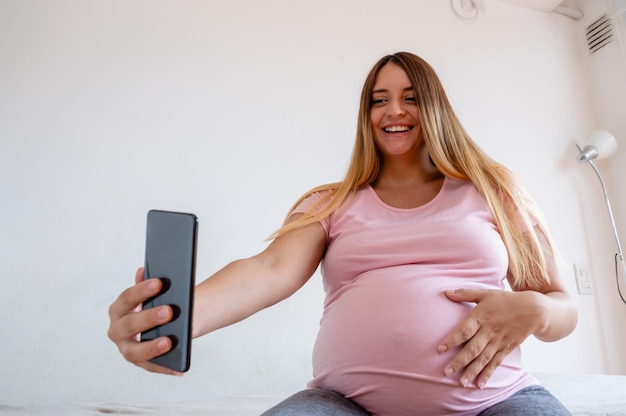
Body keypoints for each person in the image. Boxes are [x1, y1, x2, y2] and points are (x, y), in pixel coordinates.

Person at [108, 51, 578, 415]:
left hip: (493, 401)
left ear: (435, 107)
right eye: (379, 100)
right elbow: (268, 270)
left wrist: (535, 309)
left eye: (411, 96)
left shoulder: (495, 190)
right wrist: (180, 322)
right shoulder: (331, 202)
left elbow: (561, 307)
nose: (394, 110)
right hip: (345, 404)